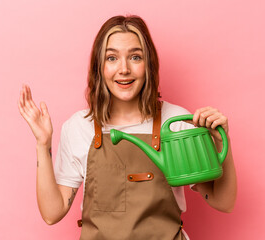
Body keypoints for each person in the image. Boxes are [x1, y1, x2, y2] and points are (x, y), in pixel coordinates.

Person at [18, 15, 237, 240]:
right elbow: (52, 213)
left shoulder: (176, 122)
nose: (124, 69)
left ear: (148, 64)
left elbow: (223, 202)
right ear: (99, 67)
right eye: (111, 58)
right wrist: (42, 144)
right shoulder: (78, 127)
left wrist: (222, 143)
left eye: (135, 57)